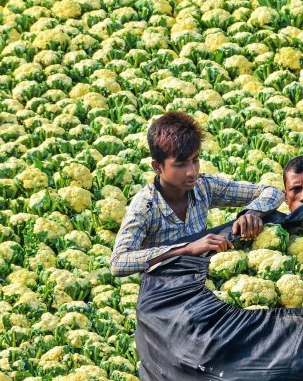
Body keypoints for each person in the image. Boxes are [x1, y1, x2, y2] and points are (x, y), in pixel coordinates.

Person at [110, 112, 285, 277]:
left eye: (195, 160)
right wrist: (186, 249)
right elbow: (118, 262)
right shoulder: (145, 206)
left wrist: (251, 214)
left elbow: (273, 192)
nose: (191, 172)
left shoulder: (204, 186)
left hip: (200, 275)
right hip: (161, 290)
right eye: (180, 165)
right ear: (158, 167)